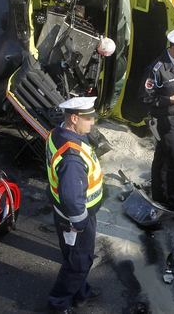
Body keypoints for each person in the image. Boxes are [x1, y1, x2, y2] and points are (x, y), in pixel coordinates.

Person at [45, 96, 104, 314]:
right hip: (76, 217)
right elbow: (72, 197)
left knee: (74, 256)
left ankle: (81, 294)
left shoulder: (57, 133)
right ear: (73, 118)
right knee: (79, 261)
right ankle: (58, 303)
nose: (93, 122)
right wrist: (80, 222)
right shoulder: (72, 156)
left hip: (64, 212)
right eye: (88, 118)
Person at [138, 29, 174, 218]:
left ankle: (160, 195)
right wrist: (169, 101)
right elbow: (143, 98)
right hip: (163, 120)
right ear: (172, 48)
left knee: (163, 157)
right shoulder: (156, 69)